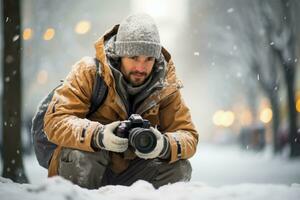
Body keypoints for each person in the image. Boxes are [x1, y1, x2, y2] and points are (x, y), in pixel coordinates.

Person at [44, 13, 198, 189]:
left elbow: (188, 134)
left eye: (148, 59)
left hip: (132, 172)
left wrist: (163, 145)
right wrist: (98, 136)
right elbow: (55, 121)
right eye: (134, 58)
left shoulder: (165, 86)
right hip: (88, 170)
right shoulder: (88, 72)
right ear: (119, 55)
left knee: (179, 168)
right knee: (85, 156)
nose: (141, 67)